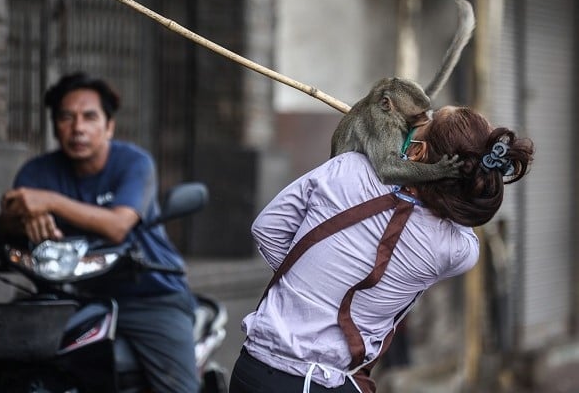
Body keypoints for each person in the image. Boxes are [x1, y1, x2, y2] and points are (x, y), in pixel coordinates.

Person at [229, 105, 534, 393]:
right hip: (317, 381)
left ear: (418, 151)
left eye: (427, 118)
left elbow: (267, 229)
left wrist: (310, 284)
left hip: (251, 368)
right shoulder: (456, 249)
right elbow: (461, 215)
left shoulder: (350, 167)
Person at [0, 72, 200, 393]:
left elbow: (117, 226)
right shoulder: (37, 171)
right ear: (55, 127)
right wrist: (20, 216)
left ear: (109, 126)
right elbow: (5, 224)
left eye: (90, 117)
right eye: (66, 117)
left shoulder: (135, 163)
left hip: (149, 295)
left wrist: (48, 201)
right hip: (69, 296)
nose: (78, 128)